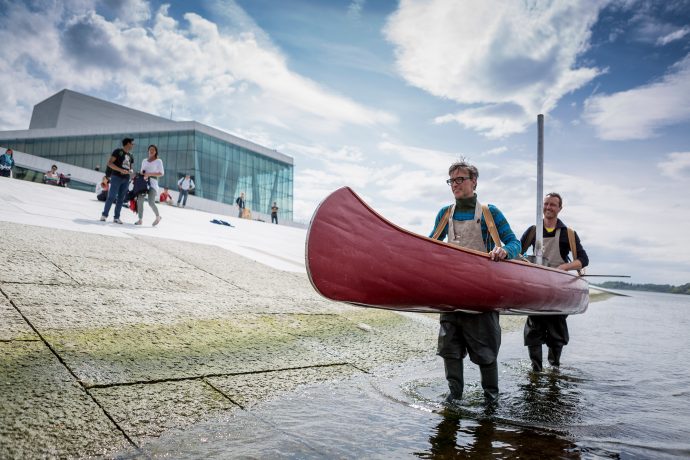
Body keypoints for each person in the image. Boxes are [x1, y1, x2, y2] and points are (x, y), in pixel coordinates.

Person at [430, 159, 521, 404]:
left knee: (486, 353)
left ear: (474, 182)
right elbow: (430, 246)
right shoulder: (444, 213)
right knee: (450, 350)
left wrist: (504, 252)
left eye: (460, 179)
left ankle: (491, 400)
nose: (455, 184)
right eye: (451, 180)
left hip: (482, 296)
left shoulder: (490, 212)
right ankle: (454, 398)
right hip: (451, 296)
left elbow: (515, 243)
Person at [520, 192, 589, 372]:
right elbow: (517, 252)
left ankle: (554, 368)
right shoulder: (533, 230)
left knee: (556, 329)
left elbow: (583, 259)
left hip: (559, 290)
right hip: (537, 288)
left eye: (553, 205)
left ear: (560, 208)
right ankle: (535, 369)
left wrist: (564, 267)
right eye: (546, 204)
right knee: (534, 328)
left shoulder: (569, 234)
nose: (548, 207)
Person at [101, 137, 135, 224]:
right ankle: (104, 215)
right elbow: (109, 163)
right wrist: (120, 170)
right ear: (127, 144)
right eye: (132, 143)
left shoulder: (131, 156)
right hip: (116, 177)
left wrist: (130, 171)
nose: (133, 145)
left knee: (121, 199)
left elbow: (131, 168)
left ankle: (116, 217)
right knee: (111, 196)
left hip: (126, 179)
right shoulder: (118, 151)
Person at [135, 144, 164, 226]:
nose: (151, 151)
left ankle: (158, 217)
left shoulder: (159, 161)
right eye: (150, 149)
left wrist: (149, 174)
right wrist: (142, 173)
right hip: (144, 183)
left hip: (153, 183)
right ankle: (140, 220)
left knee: (151, 203)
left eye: (153, 150)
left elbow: (161, 173)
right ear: (148, 151)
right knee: (140, 199)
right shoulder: (144, 161)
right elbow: (142, 171)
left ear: (155, 152)